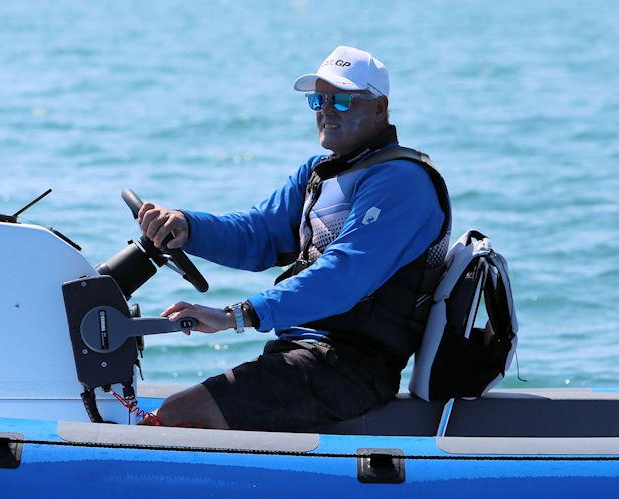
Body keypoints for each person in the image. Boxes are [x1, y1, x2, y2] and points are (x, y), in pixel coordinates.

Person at [138, 46, 450, 432]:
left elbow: (344, 275)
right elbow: (258, 234)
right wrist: (188, 227)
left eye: (341, 100)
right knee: (180, 409)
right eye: (318, 100)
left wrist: (235, 315)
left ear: (379, 108)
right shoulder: (320, 173)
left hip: (351, 369)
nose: (326, 111)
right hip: (305, 353)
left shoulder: (402, 181)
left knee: (178, 415)